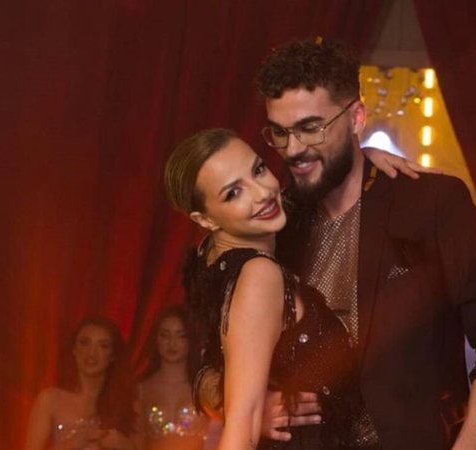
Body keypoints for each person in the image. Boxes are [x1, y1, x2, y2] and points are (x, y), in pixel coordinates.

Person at [254, 37, 476, 449]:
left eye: (311, 129)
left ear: (356, 117)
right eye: (280, 132)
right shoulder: (274, 223)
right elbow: (211, 359)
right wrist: (249, 406)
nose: (293, 149)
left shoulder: (432, 203)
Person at [164, 128, 421, 449]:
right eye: (233, 193)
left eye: (258, 170)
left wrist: (360, 160)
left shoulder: (213, 257)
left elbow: (215, 363)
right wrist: (242, 407)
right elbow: (241, 425)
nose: (262, 192)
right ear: (205, 220)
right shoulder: (259, 274)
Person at [24, 316, 136, 450]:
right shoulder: (49, 399)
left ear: (113, 355)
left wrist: (123, 444)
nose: (92, 353)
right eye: (85, 343)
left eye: (103, 346)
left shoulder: (127, 403)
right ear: (74, 349)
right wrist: (72, 444)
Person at [134, 305, 211, 450]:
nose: (172, 343)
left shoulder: (204, 388)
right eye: (165, 335)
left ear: (190, 340)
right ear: (156, 339)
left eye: (181, 336)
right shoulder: (142, 389)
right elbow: (137, 442)